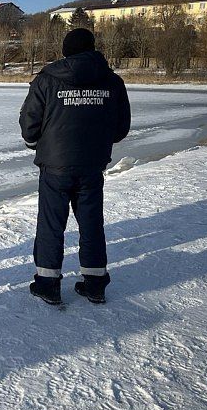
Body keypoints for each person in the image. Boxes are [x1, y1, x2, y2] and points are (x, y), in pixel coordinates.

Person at [19, 28, 130, 305]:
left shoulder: (47, 79)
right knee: (92, 223)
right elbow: (121, 127)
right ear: (92, 49)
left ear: (65, 51)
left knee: (51, 225)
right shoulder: (112, 81)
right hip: (92, 164)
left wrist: (34, 141)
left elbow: (29, 122)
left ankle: (48, 283)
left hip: (55, 165)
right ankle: (94, 284)